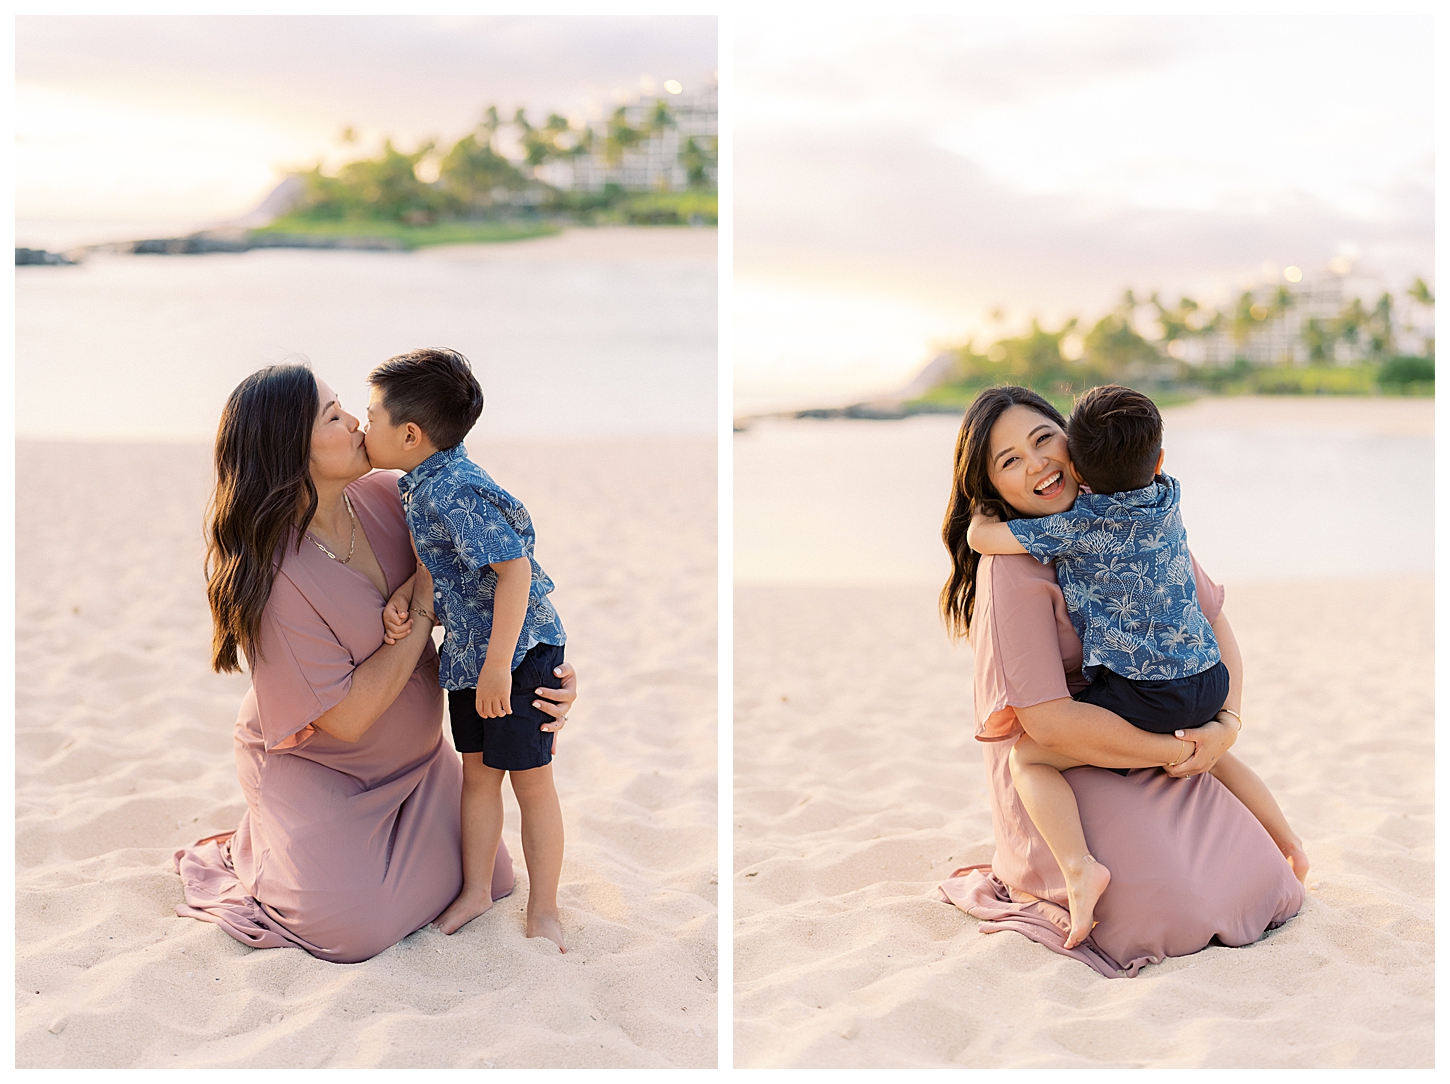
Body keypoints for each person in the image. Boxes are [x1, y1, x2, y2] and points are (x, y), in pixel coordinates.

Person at [175, 364, 576, 964]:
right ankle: (262, 845)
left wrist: (542, 669)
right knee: (352, 930)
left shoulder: (397, 497)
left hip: (420, 766)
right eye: (333, 417)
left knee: (493, 878)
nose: (357, 421)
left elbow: (492, 584)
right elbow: (348, 718)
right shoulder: (277, 577)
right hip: (325, 766)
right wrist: (419, 606)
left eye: (347, 407)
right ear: (291, 452)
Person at [937, 385, 1303, 977]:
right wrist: (1179, 748)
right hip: (1079, 749)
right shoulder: (1015, 567)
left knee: (1258, 883)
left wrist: (1226, 727)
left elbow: (1213, 623)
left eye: (1042, 440)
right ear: (992, 489)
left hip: (1143, 731)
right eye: (1009, 461)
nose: (1036, 464)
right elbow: (1049, 722)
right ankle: (1073, 869)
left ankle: (1280, 841)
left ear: (1074, 443)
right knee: (1166, 907)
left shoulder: (1120, 515)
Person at [364, 348, 569, 951]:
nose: (361, 423)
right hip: (470, 653)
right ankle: (477, 889)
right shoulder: (423, 481)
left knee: (531, 782)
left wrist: (501, 666)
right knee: (477, 779)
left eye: (370, 414)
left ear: (408, 433)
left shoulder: (455, 488)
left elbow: (515, 572)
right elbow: (445, 561)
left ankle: (547, 907)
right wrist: (409, 590)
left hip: (517, 652)